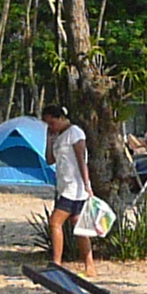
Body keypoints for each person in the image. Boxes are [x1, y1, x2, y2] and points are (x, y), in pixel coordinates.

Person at [43, 105, 96, 269]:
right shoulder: (59, 136)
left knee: (55, 222)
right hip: (64, 186)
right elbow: (50, 160)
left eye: (52, 123)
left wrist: (87, 185)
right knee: (79, 227)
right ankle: (90, 265)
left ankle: (57, 262)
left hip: (74, 188)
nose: (51, 127)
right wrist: (49, 138)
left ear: (61, 118)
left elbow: (81, 160)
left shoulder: (75, 133)